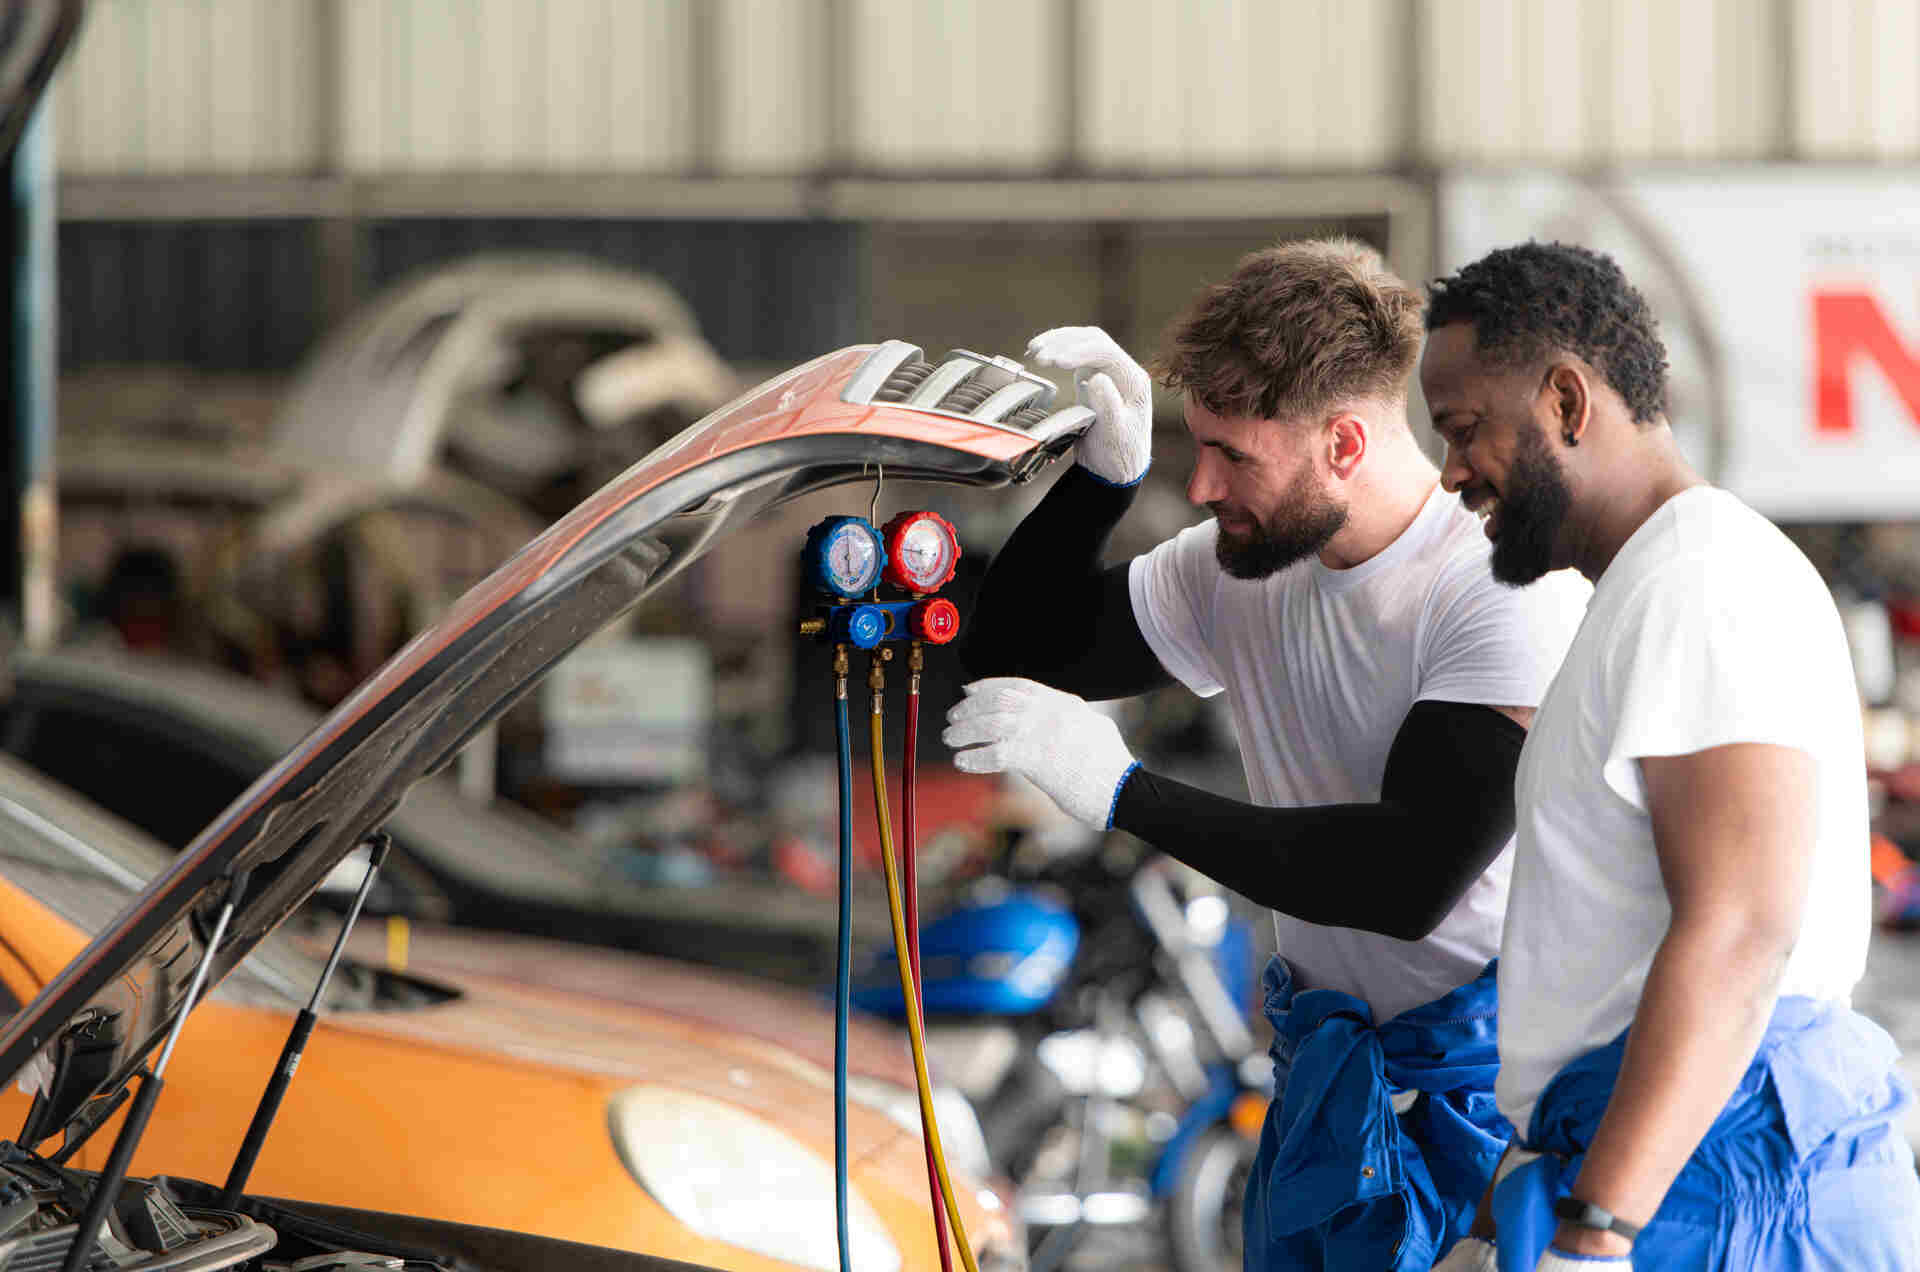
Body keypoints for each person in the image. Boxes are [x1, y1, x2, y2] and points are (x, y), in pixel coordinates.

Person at [944, 238, 1589, 1270]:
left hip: (1484, 1094)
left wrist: (1122, 792)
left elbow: (1408, 875)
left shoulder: (1501, 589)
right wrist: (1100, 480)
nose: (1200, 485)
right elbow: (1014, 655)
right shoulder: (1239, 568)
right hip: (1326, 1064)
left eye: (1232, 455)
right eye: (1191, 447)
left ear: (1343, 443)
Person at [1418, 241, 1920, 1272]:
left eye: (1465, 429)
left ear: (1566, 400)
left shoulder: (1699, 583)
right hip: (1675, 1150)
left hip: (1723, 1171)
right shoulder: (1651, 589)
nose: (1452, 471)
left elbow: (1742, 929)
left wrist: (1600, 1227)